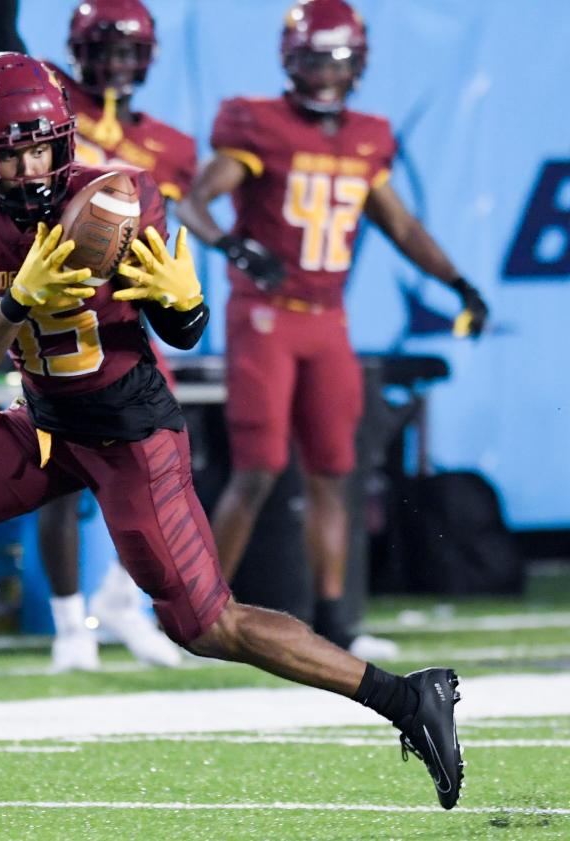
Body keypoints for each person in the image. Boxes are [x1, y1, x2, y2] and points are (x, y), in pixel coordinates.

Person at [0, 52, 465, 812]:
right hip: (42, 422)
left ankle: (406, 697)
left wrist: (186, 306)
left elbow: (183, 326)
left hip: (131, 430)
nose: (31, 164)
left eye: (42, 144)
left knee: (206, 626)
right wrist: (14, 308)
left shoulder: (115, 202)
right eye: (10, 150)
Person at [176, 0, 489, 657]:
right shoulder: (258, 124)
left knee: (334, 473)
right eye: (315, 60)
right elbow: (195, 201)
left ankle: (335, 621)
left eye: (338, 62)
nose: (325, 74)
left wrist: (458, 282)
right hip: (265, 318)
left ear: (358, 65)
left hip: (329, 322)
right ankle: (203, 616)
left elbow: (401, 226)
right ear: (293, 62)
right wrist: (234, 247)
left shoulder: (367, 137)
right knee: (257, 470)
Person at [0, 0, 195, 671]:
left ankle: (119, 601)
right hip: (53, 303)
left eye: (130, 50)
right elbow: (6, 47)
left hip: (126, 316)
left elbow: (180, 216)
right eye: (105, 48)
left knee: (157, 463)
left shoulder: (169, 143)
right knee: (62, 468)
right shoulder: (51, 94)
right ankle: (69, 623)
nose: (118, 63)